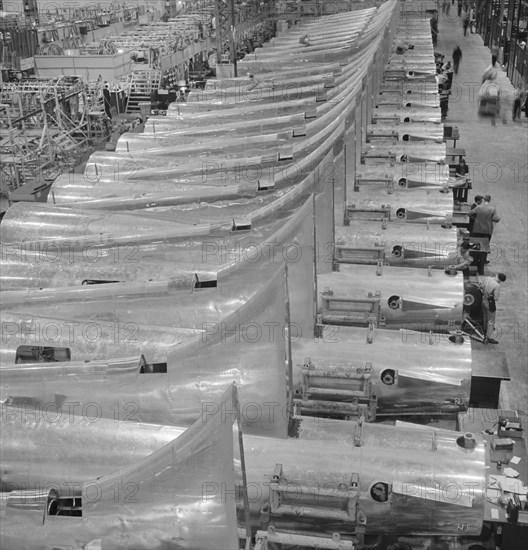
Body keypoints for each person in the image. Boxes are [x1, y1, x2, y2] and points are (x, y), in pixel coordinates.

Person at [479, 273, 507, 344]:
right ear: (501, 281)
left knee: (485, 315)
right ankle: (488, 337)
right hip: (489, 303)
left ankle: (484, 329)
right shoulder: (497, 285)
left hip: (483, 299)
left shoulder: (488, 279)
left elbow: (481, 286)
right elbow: (496, 298)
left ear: (496, 276)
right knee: (491, 320)